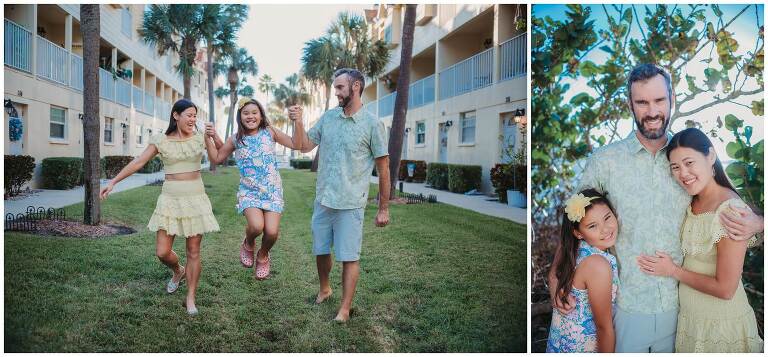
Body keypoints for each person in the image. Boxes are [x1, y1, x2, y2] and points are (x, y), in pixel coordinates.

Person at [547, 64, 763, 352]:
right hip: (627, 307)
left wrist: (761, 222)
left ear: (671, 99)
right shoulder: (605, 161)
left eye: (659, 100)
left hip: (683, 311)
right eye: (642, 102)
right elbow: (574, 219)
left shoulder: (687, 160)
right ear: (630, 104)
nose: (652, 111)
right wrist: (554, 276)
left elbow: (724, 200)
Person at [636, 128, 762, 352]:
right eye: (675, 167)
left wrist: (673, 270)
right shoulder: (691, 201)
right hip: (691, 323)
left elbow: (726, 289)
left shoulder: (730, 210)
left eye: (689, 163)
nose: (683, 173)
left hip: (720, 326)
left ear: (711, 156)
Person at [100, 99, 219, 316]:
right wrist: (113, 181)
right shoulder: (161, 140)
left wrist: (211, 137)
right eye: (189, 115)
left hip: (195, 199)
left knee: (193, 251)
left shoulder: (200, 137)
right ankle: (178, 271)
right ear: (176, 115)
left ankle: (190, 298)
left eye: (195, 116)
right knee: (162, 252)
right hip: (170, 201)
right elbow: (138, 162)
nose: (193, 119)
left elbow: (215, 159)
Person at [293, 67, 390, 322]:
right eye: (335, 87)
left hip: (351, 203)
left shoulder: (372, 124)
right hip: (324, 199)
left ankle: (345, 309)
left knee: (349, 256)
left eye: (339, 87)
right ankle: (325, 288)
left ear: (356, 87)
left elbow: (383, 168)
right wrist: (299, 121)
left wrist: (383, 208)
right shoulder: (329, 118)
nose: (336, 92)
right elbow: (304, 146)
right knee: (321, 250)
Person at [205, 99, 303, 280]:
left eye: (254, 112)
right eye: (246, 113)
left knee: (272, 232)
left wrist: (297, 121)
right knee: (257, 226)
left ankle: (263, 254)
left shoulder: (270, 132)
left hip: (272, 191)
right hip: (249, 192)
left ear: (261, 115)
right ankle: (248, 243)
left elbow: (296, 144)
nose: (250, 116)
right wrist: (208, 137)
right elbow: (217, 158)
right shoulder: (236, 139)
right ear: (240, 117)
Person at [547, 189, 619, 353]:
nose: (605, 229)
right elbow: (603, 328)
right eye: (593, 226)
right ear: (578, 233)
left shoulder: (576, 248)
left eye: (607, 217)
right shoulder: (597, 265)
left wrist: (552, 277)